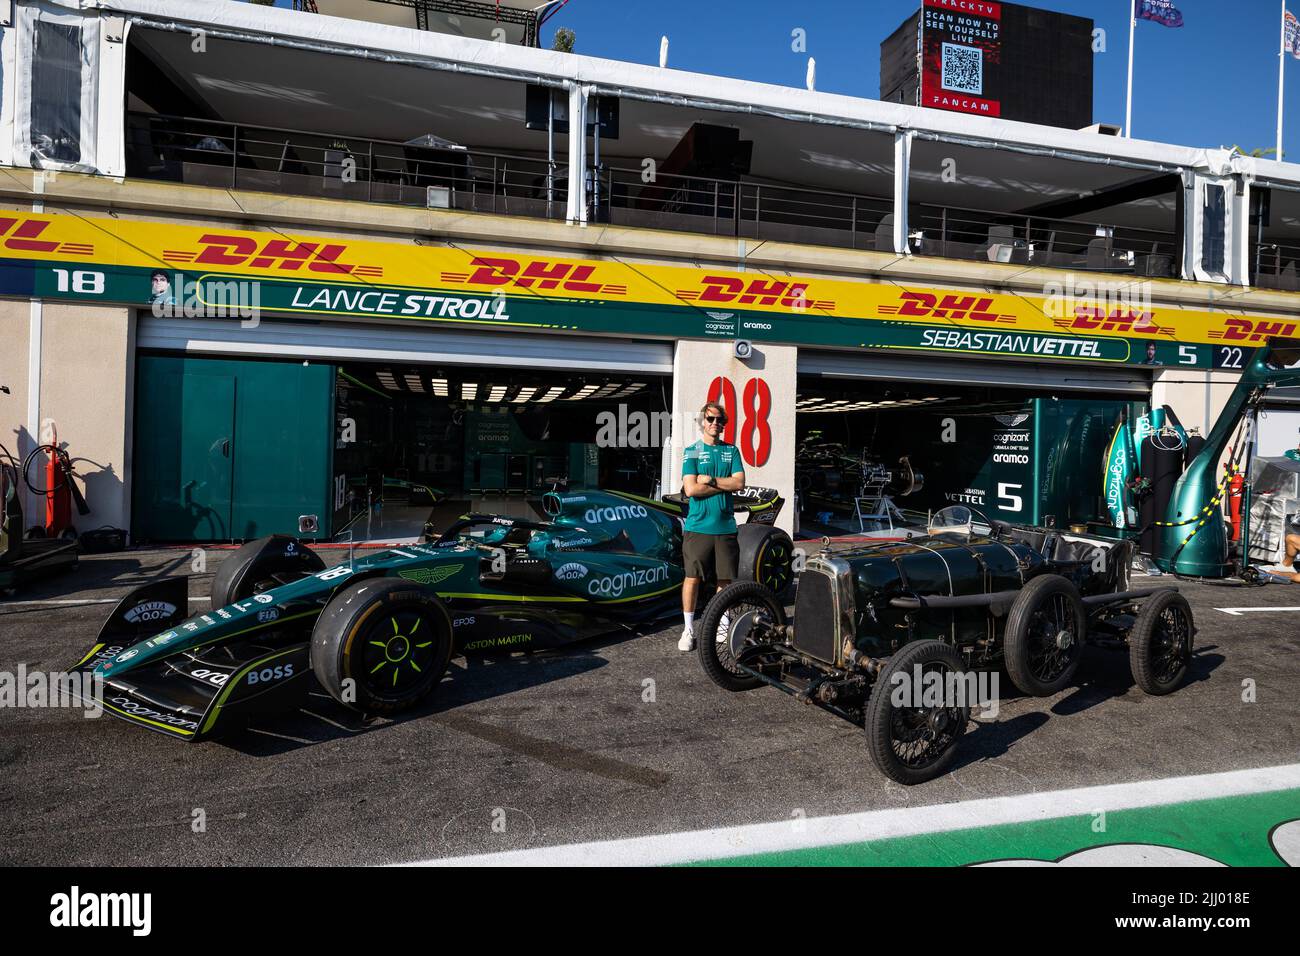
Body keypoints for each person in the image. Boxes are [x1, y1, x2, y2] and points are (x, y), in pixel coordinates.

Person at [678, 401, 745, 651]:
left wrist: (713, 480)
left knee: (724, 580)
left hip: (725, 526)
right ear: (702, 422)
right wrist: (720, 484)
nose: (715, 423)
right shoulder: (692, 451)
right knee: (692, 578)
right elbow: (691, 488)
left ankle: (722, 626)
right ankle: (688, 630)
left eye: (720, 420)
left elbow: (739, 484)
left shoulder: (732, 451)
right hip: (698, 526)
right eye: (710, 419)